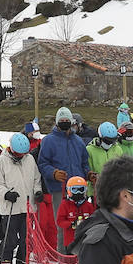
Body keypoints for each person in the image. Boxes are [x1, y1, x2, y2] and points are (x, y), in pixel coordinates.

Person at [0, 134, 39, 264]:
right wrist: (6, 193)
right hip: (10, 208)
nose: (21, 157)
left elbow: (36, 178)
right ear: (11, 149)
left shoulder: (29, 160)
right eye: (18, 154)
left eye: (23, 154)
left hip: (27, 206)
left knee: (26, 240)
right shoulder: (2, 160)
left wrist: (37, 191)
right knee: (10, 239)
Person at [37, 107, 89, 250]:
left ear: (71, 121)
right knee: (62, 225)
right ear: (57, 122)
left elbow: (84, 162)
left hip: (79, 189)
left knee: (80, 223)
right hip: (59, 189)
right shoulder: (48, 141)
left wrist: (88, 173)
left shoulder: (78, 141)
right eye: (62, 120)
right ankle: (63, 260)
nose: (65, 122)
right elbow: (42, 163)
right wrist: (53, 173)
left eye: (67, 120)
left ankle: (79, 258)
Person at [56, 176, 96, 251]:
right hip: (70, 242)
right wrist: (71, 224)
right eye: (74, 190)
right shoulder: (65, 204)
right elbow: (60, 221)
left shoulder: (88, 205)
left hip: (85, 241)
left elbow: (94, 220)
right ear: (69, 190)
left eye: (81, 190)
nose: (78, 193)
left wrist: (87, 224)